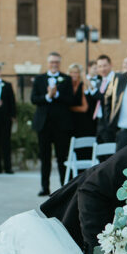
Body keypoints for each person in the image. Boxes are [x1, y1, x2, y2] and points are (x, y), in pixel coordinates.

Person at [31, 52, 73, 196]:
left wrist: (57, 95)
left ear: (60, 63)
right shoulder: (39, 79)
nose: (54, 64)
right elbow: (34, 99)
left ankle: (64, 188)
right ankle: (45, 187)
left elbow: (71, 100)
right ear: (48, 63)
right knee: (45, 158)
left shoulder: (66, 79)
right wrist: (48, 97)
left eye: (56, 62)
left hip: (61, 126)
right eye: (52, 62)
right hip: (43, 126)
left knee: (62, 158)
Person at [89, 54, 115, 142]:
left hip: (109, 123)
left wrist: (91, 89)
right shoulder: (100, 81)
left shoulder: (115, 80)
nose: (102, 69)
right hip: (100, 121)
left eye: (105, 66)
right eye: (99, 66)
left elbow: (106, 98)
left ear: (110, 65)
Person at [67, 62, 93, 137]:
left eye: (76, 72)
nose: (73, 75)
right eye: (71, 72)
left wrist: (69, 108)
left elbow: (84, 108)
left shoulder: (82, 86)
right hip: (69, 121)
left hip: (81, 120)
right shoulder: (67, 86)